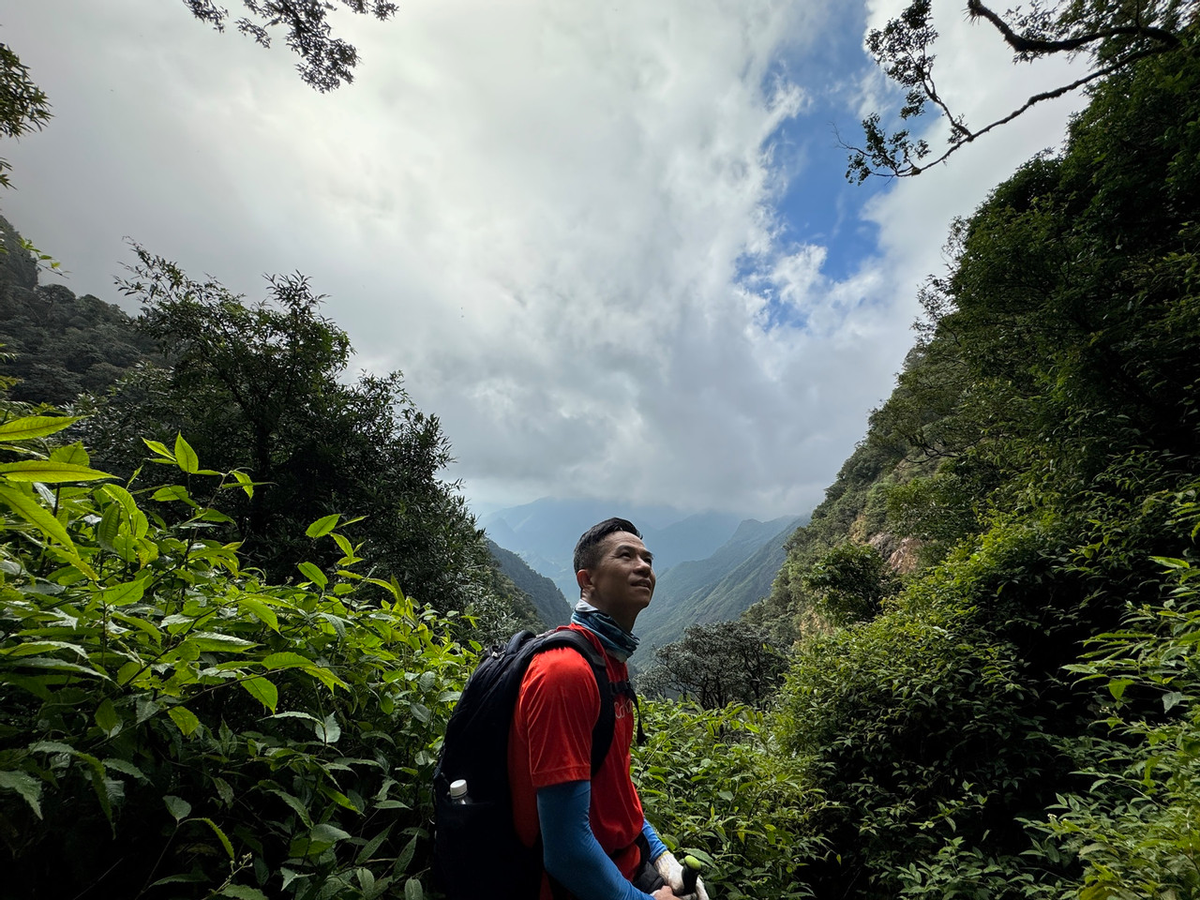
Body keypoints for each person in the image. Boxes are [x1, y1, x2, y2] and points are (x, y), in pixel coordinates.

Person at [507, 517, 711, 900]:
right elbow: (566, 852)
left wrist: (662, 858)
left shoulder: (609, 663)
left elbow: (615, 790)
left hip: (627, 863)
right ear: (587, 581)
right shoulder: (565, 673)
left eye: (648, 558)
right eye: (626, 556)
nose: (643, 566)